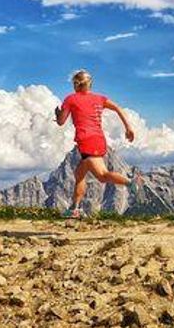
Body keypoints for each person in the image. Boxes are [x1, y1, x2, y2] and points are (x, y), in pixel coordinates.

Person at [54, 69, 141, 219]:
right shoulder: (100, 98)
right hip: (99, 140)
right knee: (79, 173)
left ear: (75, 85)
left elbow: (61, 122)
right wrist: (129, 128)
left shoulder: (70, 99)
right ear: (90, 84)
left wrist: (58, 114)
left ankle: (131, 183)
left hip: (86, 141)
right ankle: (75, 209)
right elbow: (118, 108)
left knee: (102, 175)